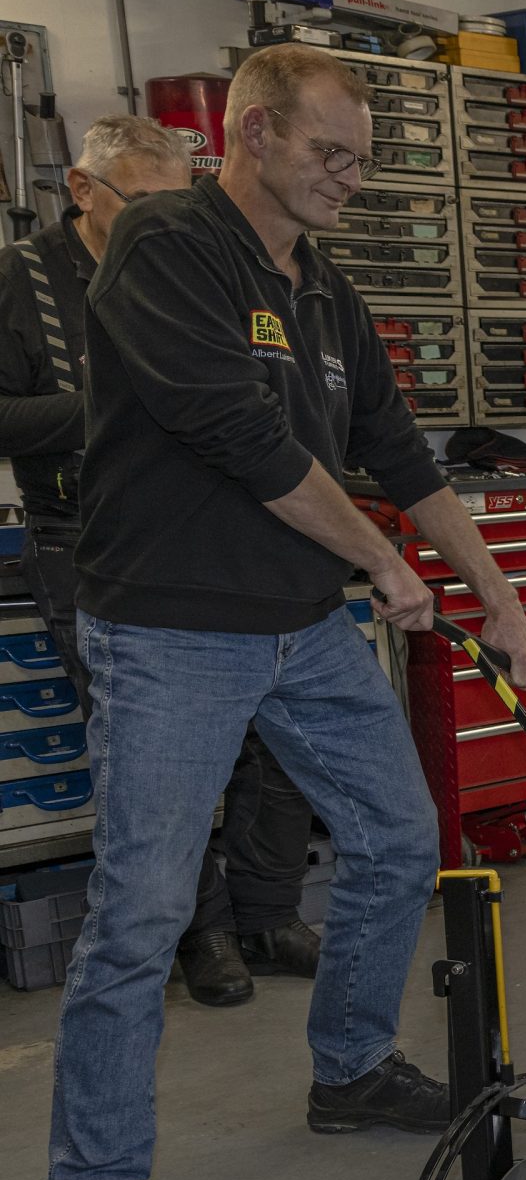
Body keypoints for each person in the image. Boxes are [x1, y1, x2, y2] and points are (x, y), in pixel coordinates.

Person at [48, 43, 526, 1180]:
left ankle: (349, 1066)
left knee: (394, 834)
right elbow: (242, 437)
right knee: (141, 915)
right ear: (253, 133)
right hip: (170, 631)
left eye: (362, 159)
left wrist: (487, 583)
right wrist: (385, 562)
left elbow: (396, 446)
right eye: (331, 152)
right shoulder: (167, 247)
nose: (350, 178)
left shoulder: (324, 289)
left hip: (299, 624)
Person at [0, 114, 326, 1011]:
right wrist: (109, 401)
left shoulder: (196, 262)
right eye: (141, 204)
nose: (162, 223)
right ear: (80, 190)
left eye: (174, 204)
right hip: (91, 544)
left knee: (273, 741)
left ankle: (266, 911)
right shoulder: (21, 281)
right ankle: (204, 933)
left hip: (219, 535)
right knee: (163, 766)